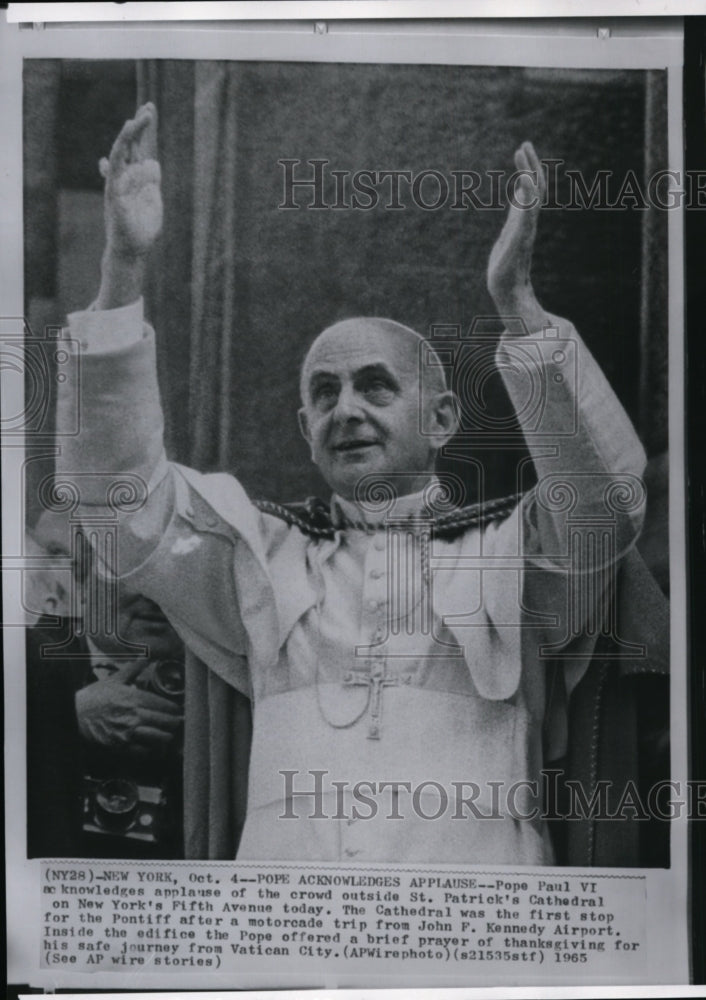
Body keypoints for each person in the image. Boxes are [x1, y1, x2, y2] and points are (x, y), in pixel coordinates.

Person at [55, 103, 662, 865]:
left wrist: (519, 308)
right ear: (305, 428)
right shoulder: (258, 559)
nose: (347, 410)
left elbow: (606, 505)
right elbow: (116, 499)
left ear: (440, 418)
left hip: (470, 947)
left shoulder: (511, 556)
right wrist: (122, 268)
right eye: (325, 393)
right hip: (289, 948)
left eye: (376, 387)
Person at [26, 512, 185, 858]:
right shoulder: (24, 662)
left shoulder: (231, 682)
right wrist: (68, 719)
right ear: (82, 580)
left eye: (176, 568)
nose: (155, 591)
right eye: (130, 569)